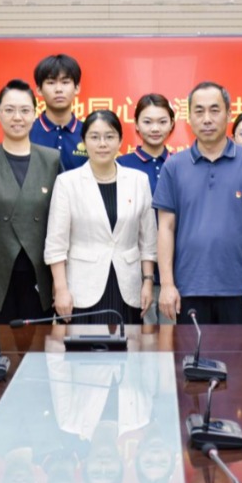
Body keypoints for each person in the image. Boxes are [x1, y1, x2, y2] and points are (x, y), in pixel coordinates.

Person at [153, 81, 242, 324]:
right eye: (199, 111)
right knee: (193, 350)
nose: (207, 119)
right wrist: (167, 285)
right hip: (189, 288)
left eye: (214, 110)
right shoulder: (174, 166)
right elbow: (165, 228)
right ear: (189, 118)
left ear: (229, 114)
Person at [0, 79, 63, 324]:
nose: (17, 117)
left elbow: (61, 224)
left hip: (40, 276)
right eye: (9, 110)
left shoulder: (52, 161)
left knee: (38, 345)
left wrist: (61, 282)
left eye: (24, 110)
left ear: (35, 114)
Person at [45, 110, 157, 325]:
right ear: (84, 141)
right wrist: (60, 289)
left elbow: (148, 241)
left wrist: (148, 282)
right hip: (82, 289)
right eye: (95, 137)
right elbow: (56, 244)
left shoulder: (138, 181)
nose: (102, 144)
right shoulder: (67, 183)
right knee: (84, 346)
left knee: (128, 344)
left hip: (128, 287)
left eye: (110, 136)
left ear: (120, 141)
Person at [118, 93, 175, 324]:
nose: (155, 128)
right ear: (136, 125)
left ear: (172, 124)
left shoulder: (181, 164)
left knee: (175, 339)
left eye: (162, 121)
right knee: (142, 338)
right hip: (135, 272)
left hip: (176, 273)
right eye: (148, 121)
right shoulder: (121, 166)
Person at [30, 53, 88, 170]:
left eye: (65, 82)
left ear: (77, 88)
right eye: (51, 83)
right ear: (39, 89)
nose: (58, 89)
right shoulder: (27, 131)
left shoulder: (89, 133)